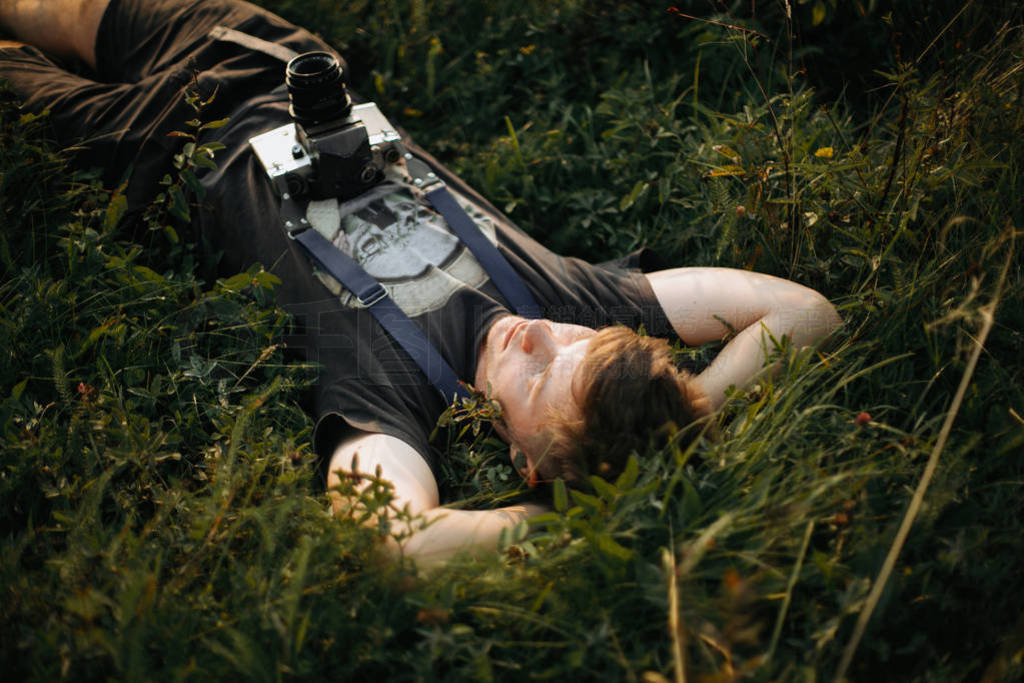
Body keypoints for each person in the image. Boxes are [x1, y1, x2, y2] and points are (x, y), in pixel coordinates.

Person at [0, 0, 841, 564]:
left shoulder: (392, 399)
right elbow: (803, 310)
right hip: (265, 61)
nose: (538, 335)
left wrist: (585, 520)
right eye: (581, 347)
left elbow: (391, 538)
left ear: (525, 459)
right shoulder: (580, 301)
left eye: (544, 376)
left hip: (147, 153)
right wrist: (689, 417)